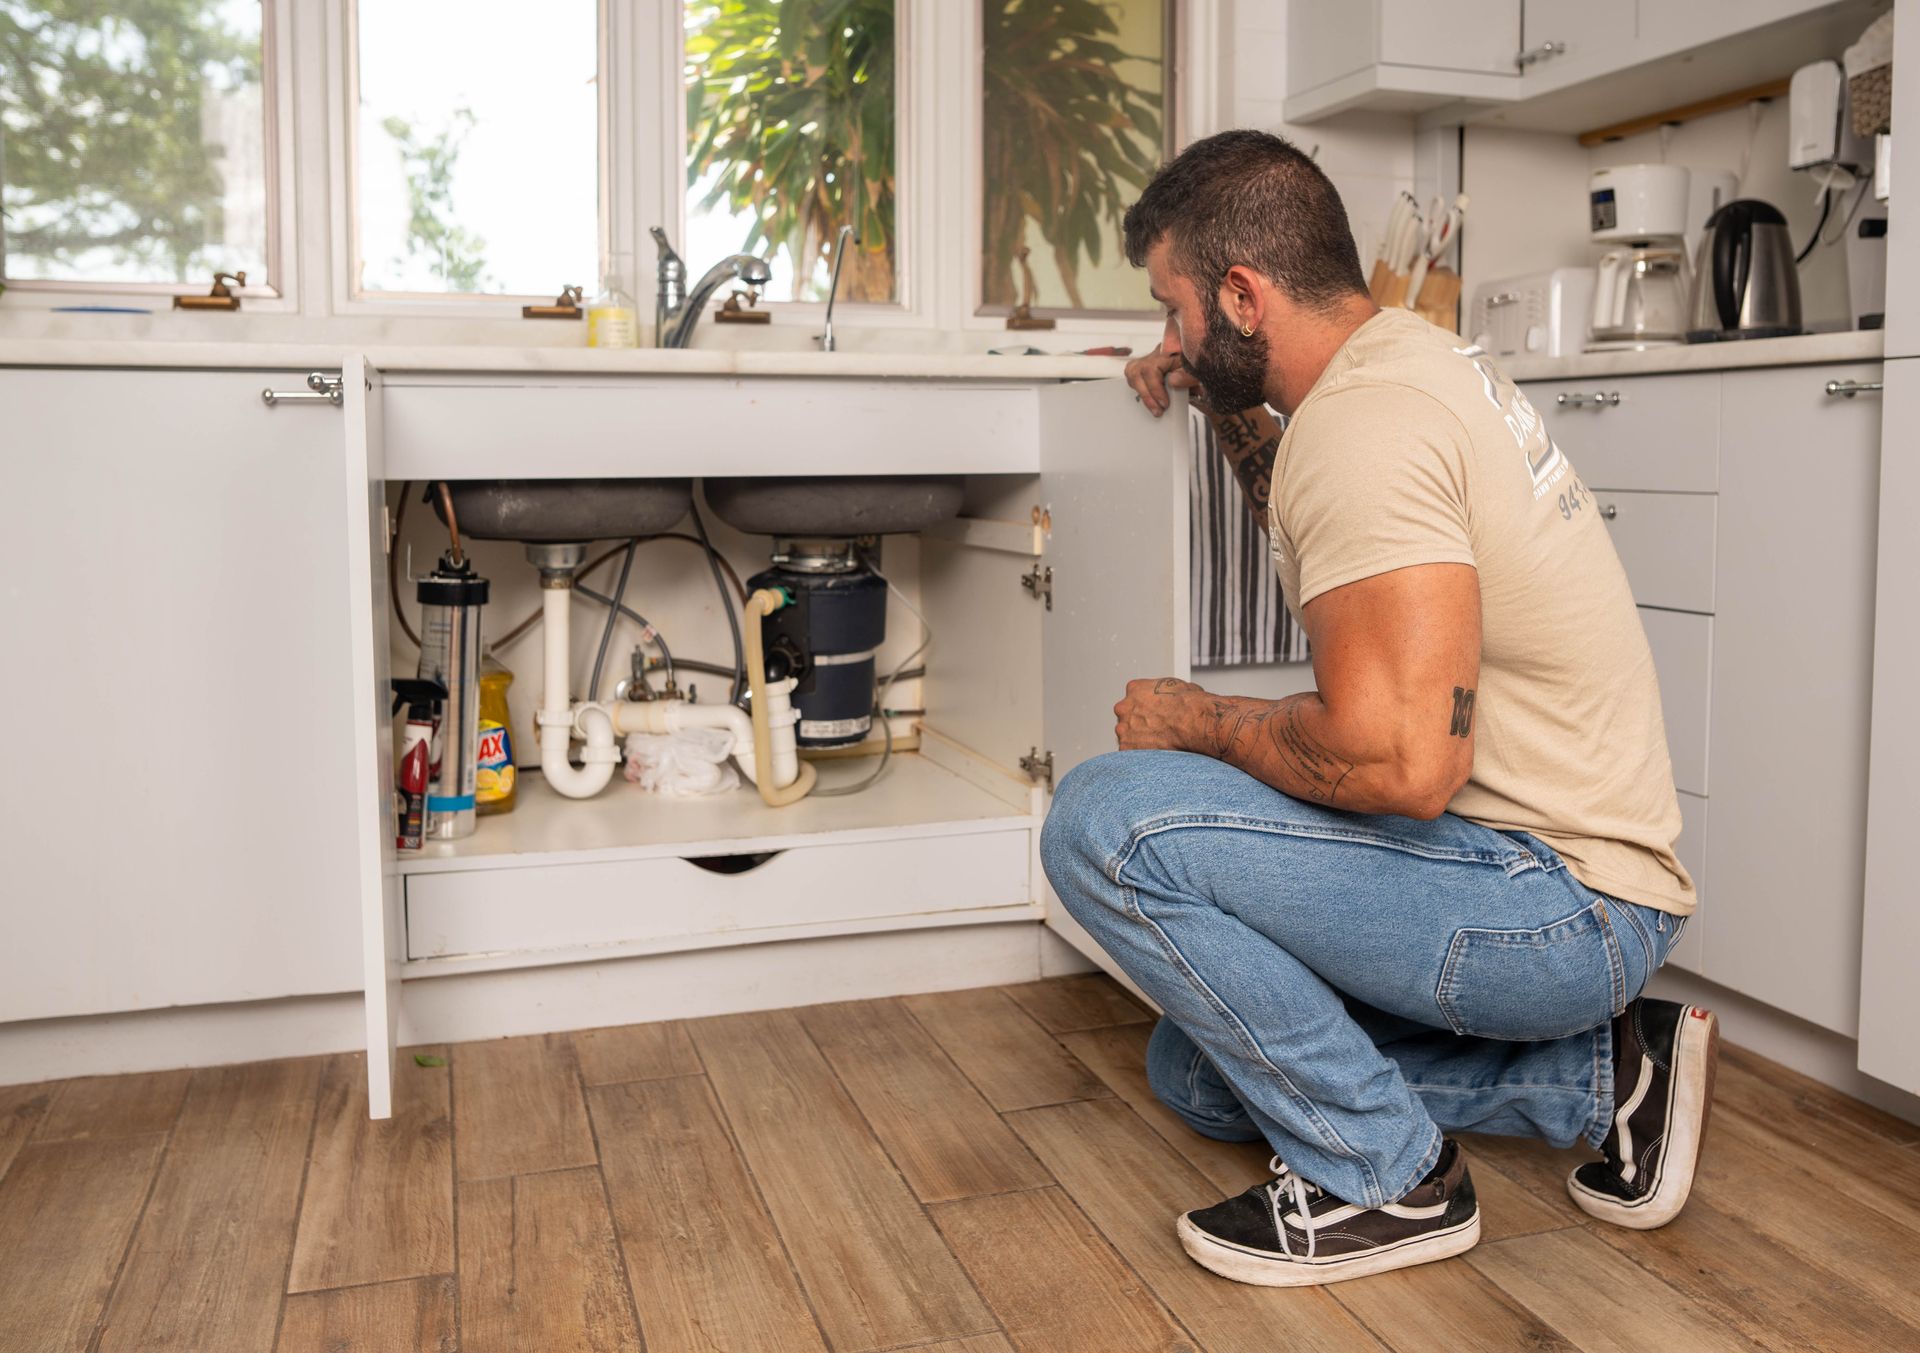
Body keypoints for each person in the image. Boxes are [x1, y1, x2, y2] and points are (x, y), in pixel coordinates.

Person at [1038, 129, 1717, 1288]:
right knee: (1198, 1070)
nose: (1170, 342)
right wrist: (1215, 402)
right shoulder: (1400, 365)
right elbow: (1328, 529)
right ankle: (1605, 1073)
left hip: (1557, 903)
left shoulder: (1364, 429)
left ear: (1243, 295)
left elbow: (1404, 768)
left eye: (1175, 311)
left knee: (1104, 817)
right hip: (1555, 882)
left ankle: (1390, 1180)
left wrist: (1201, 723)